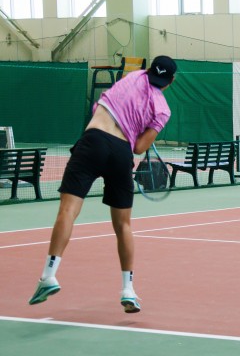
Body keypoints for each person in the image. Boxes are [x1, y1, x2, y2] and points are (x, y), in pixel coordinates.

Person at [28, 55, 177, 313]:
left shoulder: (133, 76)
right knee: (123, 226)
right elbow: (139, 147)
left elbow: (104, 105)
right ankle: (128, 290)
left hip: (93, 142)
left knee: (68, 211)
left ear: (149, 70)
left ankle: (48, 275)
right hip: (121, 152)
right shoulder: (163, 111)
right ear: (171, 81)